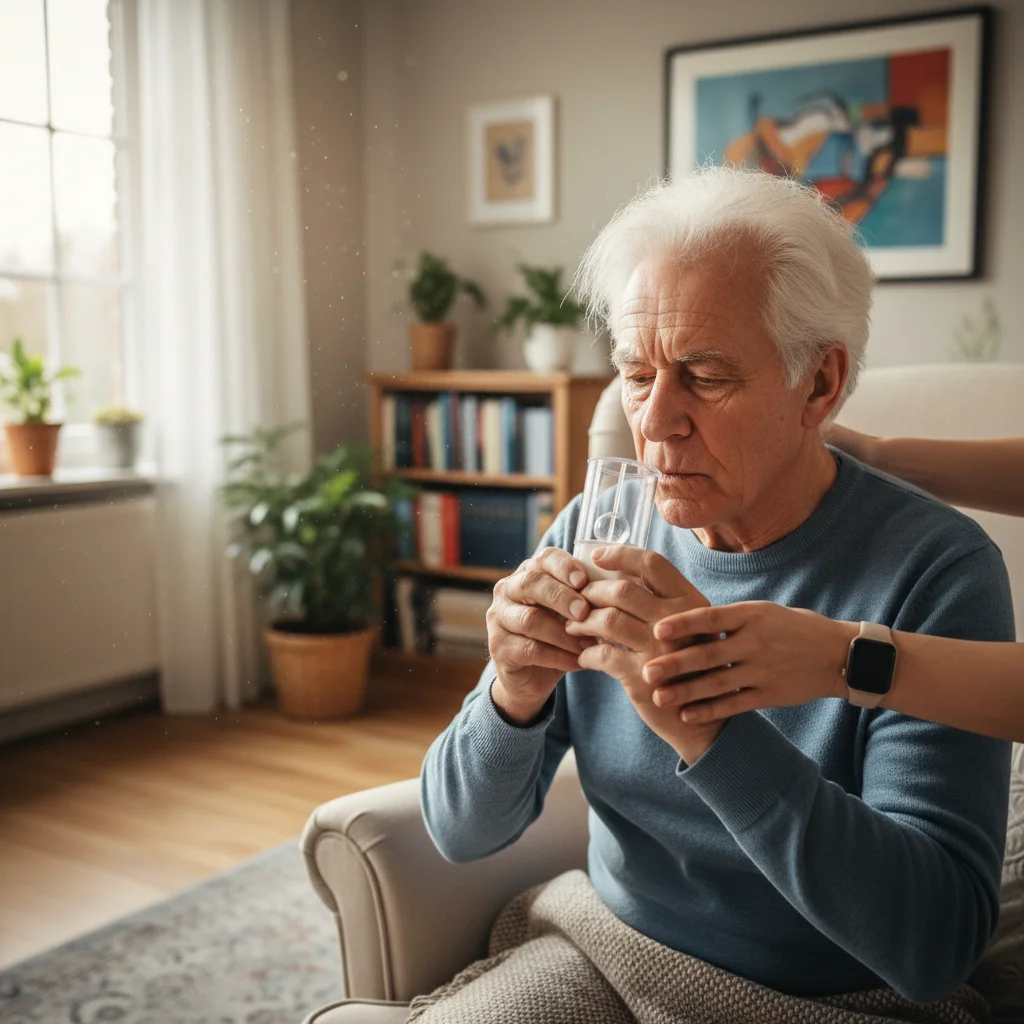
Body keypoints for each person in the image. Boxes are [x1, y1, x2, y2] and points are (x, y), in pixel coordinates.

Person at [419, 167, 1014, 1008]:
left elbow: (932, 947)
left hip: (831, 1000)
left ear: (819, 384)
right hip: (602, 946)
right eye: (635, 373)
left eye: (703, 375)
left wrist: (714, 733)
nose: (655, 419)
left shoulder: (936, 572)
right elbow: (459, 829)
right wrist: (510, 695)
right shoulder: (598, 533)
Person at [645, 429, 1024, 740]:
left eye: (710, 378)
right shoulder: (609, 516)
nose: (653, 425)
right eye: (639, 376)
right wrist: (870, 459)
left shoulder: (942, 567)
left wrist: (842, 657)